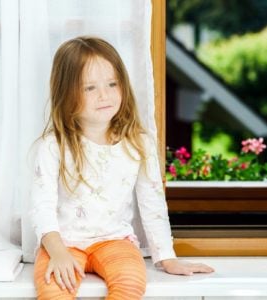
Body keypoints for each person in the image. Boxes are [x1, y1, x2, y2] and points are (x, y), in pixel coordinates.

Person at [30, 36, 214, 300]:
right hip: (63, 242)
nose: (104, 95)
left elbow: (152, 203)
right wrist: (57, 252)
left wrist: (166, 257)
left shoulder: (139, 143)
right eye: (89, 88)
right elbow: (41, 205)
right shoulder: (53, 145)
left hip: (114, 240)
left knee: (130, 283)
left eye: (112, 83)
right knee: (54, 290)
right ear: (66, 94)